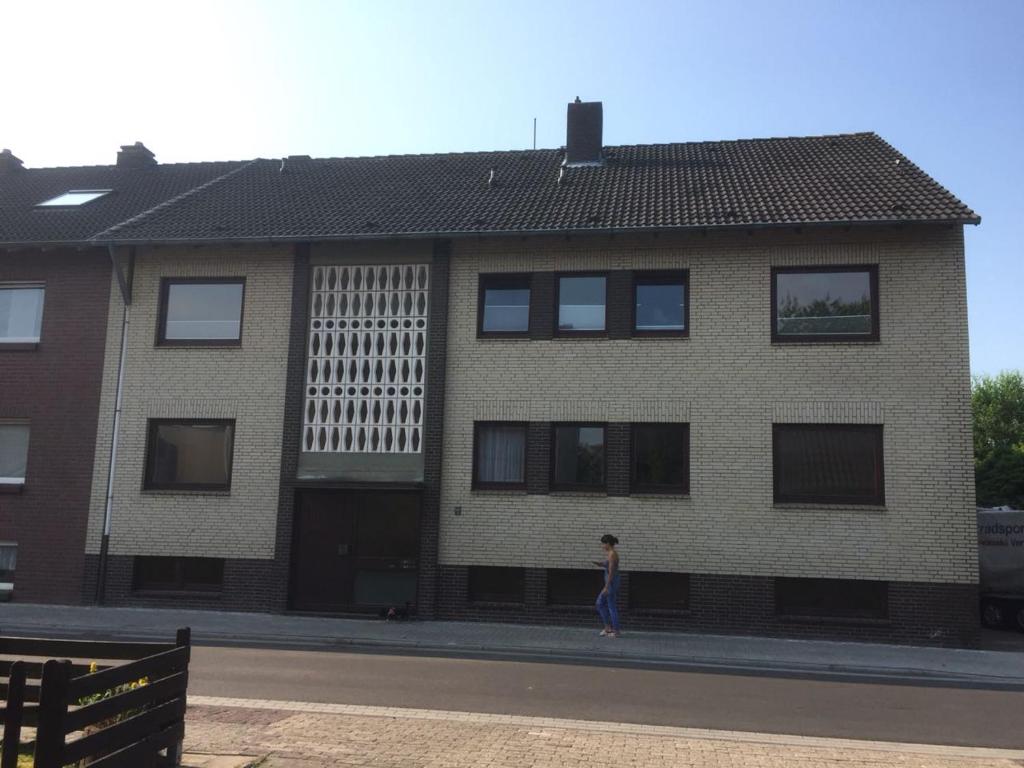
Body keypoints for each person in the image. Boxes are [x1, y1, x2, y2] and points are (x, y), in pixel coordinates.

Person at [592, 534, 621, 637]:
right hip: (611, 583)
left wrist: (606, 587)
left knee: (609, 605)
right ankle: (608, 628)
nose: (602, 546)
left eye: (603, 544)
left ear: (608, 543)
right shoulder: (610, 553)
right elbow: (607, 565)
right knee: (601, 604)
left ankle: (615, 631)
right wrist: (600, 564)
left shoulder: (612, 554)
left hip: (611, 583)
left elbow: (611, 572)